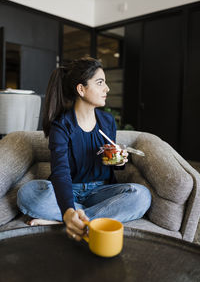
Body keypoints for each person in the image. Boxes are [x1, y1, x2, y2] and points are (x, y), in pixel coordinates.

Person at [17, 57, 151, 241]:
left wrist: (118, 161)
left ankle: (66, 220)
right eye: (100, 83)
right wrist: (67, 208)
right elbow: (60, 172)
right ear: (81, 89)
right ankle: (76, 217)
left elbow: (111, 164)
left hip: (100, 192)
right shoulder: (62, 126)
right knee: (28, 193)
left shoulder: (107, 121)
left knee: (141, 196)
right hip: (68, 190)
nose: (107, 89)